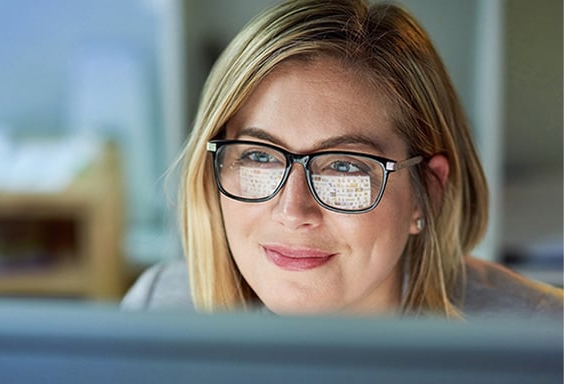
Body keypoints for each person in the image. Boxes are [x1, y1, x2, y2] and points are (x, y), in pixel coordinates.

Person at [123, 0, 563, 319]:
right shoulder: (160, 309)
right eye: (259, 156)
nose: (294, 212)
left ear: (426, 189)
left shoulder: (537, 339)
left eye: (345, 166)